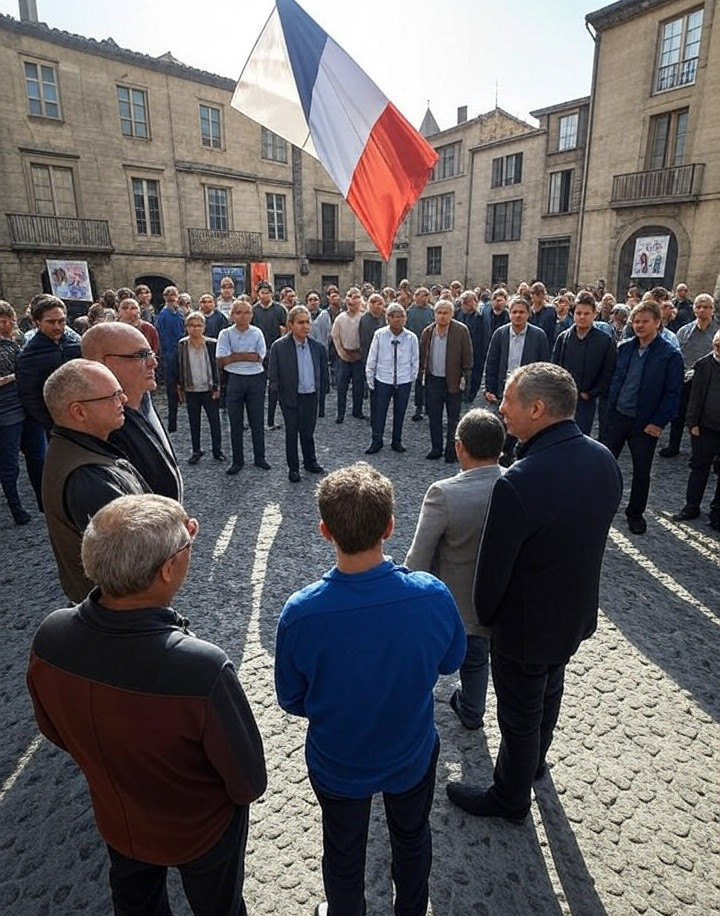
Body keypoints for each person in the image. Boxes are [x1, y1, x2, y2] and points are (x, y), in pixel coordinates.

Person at [27, 493, 267, 916]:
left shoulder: (51, 636)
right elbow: (248, 782)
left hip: (117, 817)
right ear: (167, 570)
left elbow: (53, 730)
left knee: (135, 901)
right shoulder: (202, 668)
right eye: (187, 544)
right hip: (200, 830)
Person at [275, 462, 465, 916]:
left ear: (325, 531)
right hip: (410, 751)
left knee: (343, 853)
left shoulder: (301, 613)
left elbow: (291, 698)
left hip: (338, 760)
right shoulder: (432, 595)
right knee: (412, 837)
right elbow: (451, 662)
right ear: (390, 527)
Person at [446, 364, 622, 822]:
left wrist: (485, 619)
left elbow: (492, 575)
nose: (501, 408)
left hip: (523, 627)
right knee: (550, 692)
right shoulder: (604, 459)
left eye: (508, 400)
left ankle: (510, 797)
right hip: (573, 614)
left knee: (519, 716)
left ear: (538, 408)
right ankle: (534, 763)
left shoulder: (518, 481)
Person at [406, 408, 505, 730]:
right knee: (477, 661)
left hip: (452, 608)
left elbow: (419, 558)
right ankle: (472, 710)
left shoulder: (444, 493)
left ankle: (412, 712)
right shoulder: (517, 483)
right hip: (498, 605)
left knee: (427, 662)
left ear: (459, 446)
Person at [41, 360, 148, 602]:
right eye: (113, 396)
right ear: (79, 412)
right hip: (121, 610)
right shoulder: (87, 476)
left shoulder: (78, 448)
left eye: (121, 392)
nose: (123, 400)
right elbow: (133, 555)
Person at [604, 301, 684, 534]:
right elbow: (615, 379)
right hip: (619, 416)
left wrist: (658, 422)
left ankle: (635, 514)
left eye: (644, 321)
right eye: (636, 321)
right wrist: (610, 410)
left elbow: (673, 393)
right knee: (604, 463)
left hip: (645, 423)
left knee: (641, 471)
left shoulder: (670, 355)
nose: (639, 325)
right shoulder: (625, 347)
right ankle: (599, 503)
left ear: (657, 322)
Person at [82, 323, 183, 502]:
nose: (153, 363)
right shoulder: (106, 426)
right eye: (141, 355)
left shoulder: (142, 399)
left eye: (151, 354)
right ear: (108, 364)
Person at [483, 294, 550, 464]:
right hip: (504, 388)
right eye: (514, 312)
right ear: (509, 313)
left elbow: (543, 365)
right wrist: (489, 388)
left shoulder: (538, 336)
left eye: (521, 312)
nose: (518, 315)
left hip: (528, 390)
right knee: (504, 425)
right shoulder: (500, 334)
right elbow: (492, 362)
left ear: (528, 314)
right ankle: (503, 458)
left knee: (525, 427)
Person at [267, 305, 328, 482]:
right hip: (290, 397)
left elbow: (323, 373)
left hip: (310, 396)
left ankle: (310, 461)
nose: (305, 326)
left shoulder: (317, 347)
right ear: (291, 324)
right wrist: (274, 400)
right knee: (292, 433)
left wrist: (322, 396)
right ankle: (293, 468)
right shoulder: (279, 347)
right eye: (300, 322)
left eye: (307, 322)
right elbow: (273, 375)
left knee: (308, 432)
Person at [0, 301, 46, 524]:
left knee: (39, 457)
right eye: (1, 321)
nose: (4, 325)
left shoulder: (19, 340)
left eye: (6, 321)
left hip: (27, 404)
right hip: (5, 409)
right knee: (10, 464)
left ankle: (44, 502)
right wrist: (14, 376)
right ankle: (16, 508)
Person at [671, 330, 720, 529]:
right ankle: (691, 506)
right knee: (699, 468)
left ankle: (717, 512)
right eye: (716, 344)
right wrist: (692, 423)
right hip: (704, 427)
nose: (718, 348)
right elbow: (695, 397)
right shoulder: (704, 364)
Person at [660, 294, 719, 457]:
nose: (702, 310)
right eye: (699, 306)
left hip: (709, 381)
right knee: (678, 414)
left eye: (706, 307)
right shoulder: (684, 331)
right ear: (693, 309)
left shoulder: (717, 332)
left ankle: (702, 452)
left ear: (713, 310)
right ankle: (673, 445)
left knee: (703, 417)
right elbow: (676, 354)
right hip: (684, 379)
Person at [216, 299, 270, 475]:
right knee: (235, 422)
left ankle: (260, 458)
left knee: (257, 420)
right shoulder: (225, 334)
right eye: (238, 312)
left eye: (246, 312)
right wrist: (247, 356)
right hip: (234, 379)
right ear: (232, 315)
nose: (242, 316)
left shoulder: (257, 332)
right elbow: (222, 359)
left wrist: (235, 356)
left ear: (251, 315)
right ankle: (237, 461)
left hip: (256, 379)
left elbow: (259, 356)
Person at [15, 295, 82, 432]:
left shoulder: (75, 346)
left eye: (61, 321)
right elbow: (30, 397)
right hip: (56, 423)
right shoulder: (28, 357)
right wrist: (53, 424)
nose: (57, 326)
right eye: (51, 322)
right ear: (37, 322)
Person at [552, 297, 617, 434]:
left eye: (586, 313)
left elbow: (609, 371)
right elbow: (554, 367)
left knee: (581, 433)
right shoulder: (563, 338)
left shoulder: (604, 341)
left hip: (587, 399)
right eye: (578, 313)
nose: (582, 317)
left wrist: (592, 393)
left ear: (594, 314)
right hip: (564, 397)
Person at [420, 300, 473, 462]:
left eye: (445, 313)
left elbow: (468, 356)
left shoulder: (461, 331)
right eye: (439, 313)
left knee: (453, 418)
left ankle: (451, 450)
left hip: (453, 380)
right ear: (434, 314)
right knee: (434, 416)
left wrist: (465, 378)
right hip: (433, 380)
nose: (442, 316)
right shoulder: (428, 332)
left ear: (452, 314)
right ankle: (436, 448)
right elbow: (422, 356)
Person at [364, 303, 419, 455]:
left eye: (401, 316)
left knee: (400, 412)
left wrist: (412, 376)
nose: (397, 320)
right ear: (388, 318)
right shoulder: (380, 335)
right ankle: (376, 440)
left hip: (403, 380)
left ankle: (397, 440)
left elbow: (415, 359)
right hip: (383, 379)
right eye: (394, 316)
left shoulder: (411, 337)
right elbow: (372, 356)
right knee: (379, 412)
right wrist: (370, 377)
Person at [176, 311, 224, 464]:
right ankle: (196, 450)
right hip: (191, 388)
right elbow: (179, 365)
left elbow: (218, 367)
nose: (195, 328)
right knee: (193, 422)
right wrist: (180, 386)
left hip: (209, 388)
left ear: (204, 327)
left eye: (198, 325)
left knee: (215, 421)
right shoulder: (182, 344)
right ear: (186, 327)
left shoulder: (212, 344)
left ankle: (217, 450)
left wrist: (218, 386)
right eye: (191, 325)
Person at [252, 281, 287, 429]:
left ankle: (271, 420)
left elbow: (285, 329)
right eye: (262, 292)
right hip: (258, 353)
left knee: (274, 387)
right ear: (258, 294)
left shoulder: (280, 309)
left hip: (276, 352)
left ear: (271, 294)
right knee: (258, 388)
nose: (265, 295)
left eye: (267, 292)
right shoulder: (253, 310)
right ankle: (257, 420)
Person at [331, 287, 365, 423]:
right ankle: (341, 413)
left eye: (356, 297)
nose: (352, 300)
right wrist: (342, 353)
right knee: (341, 387)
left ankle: (357, 410)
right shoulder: (340, 318)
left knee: (359, 386)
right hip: (344, 357)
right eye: (350, 297)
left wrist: (361, 354)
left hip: (359, 356)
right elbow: (335, 336)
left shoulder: (363, 318)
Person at [154, 286, 185, 433]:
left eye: (174, 294)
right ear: (165, 297)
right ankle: (172, 423)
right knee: (171, 390)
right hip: (170, 356)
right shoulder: (163, 316)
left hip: (181, 354)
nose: (172, 297)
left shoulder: (179, 314)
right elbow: (162, 337)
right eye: (169, 295)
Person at [405, 287, 435, 421]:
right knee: (418, 379)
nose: (421, 298)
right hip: (414, 349)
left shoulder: (432, 311)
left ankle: (429, 405)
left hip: (430, 349)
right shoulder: (410, 312)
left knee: (430, 378)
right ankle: (418, 406)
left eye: (424, 295)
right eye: (419, 295)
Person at [528, 281, 557, 348]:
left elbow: (553, 330)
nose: (540, 296)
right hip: (531, 344)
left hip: (546, 344)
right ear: (531, 295)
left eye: (542, 293)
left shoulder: (551, 310)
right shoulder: (529, 311)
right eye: (537, 293)